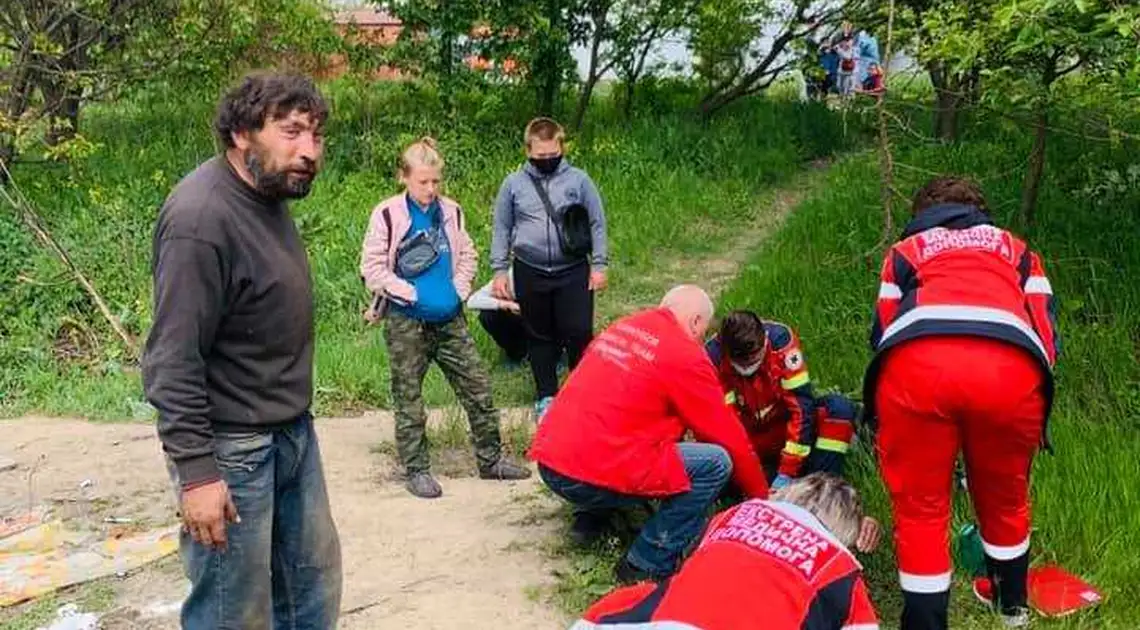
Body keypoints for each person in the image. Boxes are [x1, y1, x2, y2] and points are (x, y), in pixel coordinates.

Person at [142, 72, 342, 628]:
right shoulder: (200, 220)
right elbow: (172, 357)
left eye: (317, 136)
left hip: (291, 435)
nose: (309, 152)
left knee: (310, 596)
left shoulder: (268, 192)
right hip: (233, 452)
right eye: (292, 132)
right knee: (233, 612)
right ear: (241, 134)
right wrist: (199, 475)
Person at [864, 177, 1060, 629]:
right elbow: (1047, 335)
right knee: (1006, 498)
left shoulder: (905, 253)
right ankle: (1012, 610)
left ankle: (927, 623)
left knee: (920, 510)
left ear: (922, 215)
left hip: (916, 369)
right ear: (979, 212)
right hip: (1009, 369)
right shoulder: (1017, 249)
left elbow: (882, 331)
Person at [528, 285, 770, 584]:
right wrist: (762, 499)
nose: (701, 341)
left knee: (614, 426)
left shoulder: (623, 327)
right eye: (702, 331)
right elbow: (728, 436)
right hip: (584, 474)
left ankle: (591, 515)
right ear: (696, 322)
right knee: (715, 462)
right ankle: (646, 562)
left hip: (551, 460)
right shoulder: (684, 355)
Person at [360, 137, 531, 499]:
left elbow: (467, 251)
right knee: (409, 398)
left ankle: (491, 460)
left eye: (436, 181)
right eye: (423, 181)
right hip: (406, 322)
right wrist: (413, 294)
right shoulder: (388, 214)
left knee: (478, 386)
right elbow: (372, 269)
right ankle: (417, 470)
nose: (431, 188)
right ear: (403, 177)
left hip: (450, 319)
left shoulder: (451, 211)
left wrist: (459, 289)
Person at [572, 473, 882, 629]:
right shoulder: (839, 568)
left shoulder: (732, 517)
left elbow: (693, 566)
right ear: (844, 533)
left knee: (649, 594)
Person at [490, 117, 609, 419]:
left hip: (572, 269)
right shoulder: (513, 184)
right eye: (540, 156)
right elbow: (502, 228)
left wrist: (599, 264)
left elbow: (597, 222)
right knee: (538, 336)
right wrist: (500, 270)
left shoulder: (580, 181)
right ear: (528, 151)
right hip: (530, 268)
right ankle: (546, 397)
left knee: (579, 332)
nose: (547, 161)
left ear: (561, 147)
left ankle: (582, 394)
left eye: (552, 155)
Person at [706, 311, 858, 490]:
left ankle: (822, 487)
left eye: (754, 358)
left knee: (838, 410)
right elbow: (726, 425)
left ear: (764, 340)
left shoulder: (781, 344)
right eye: (742, 362)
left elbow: (801, 408)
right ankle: (787, 486)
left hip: (787, 431)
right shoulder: (712, 360)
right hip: (751, 443)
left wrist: (788, 470)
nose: (748, 366)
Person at [465, 267, 528, 366]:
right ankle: (517, 354)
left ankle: (554, 355)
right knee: (488, 315)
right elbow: (472, 301)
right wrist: (506, 305)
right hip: (520, 314)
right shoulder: (510, 276)